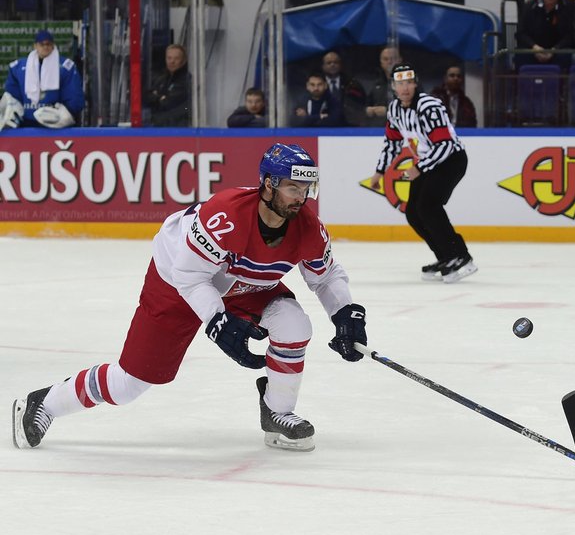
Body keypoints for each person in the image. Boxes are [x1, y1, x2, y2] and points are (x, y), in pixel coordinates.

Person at [12, 143, 369, 453]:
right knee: (129, 384)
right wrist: (217, 323)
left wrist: (346, 314)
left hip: (241, 282)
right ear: (268, 185)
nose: (302, 198)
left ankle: (277, 411)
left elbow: (326, 277)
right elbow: (189, 276)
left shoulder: (308, 227)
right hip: (176, 280)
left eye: (307, 188)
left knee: (294, 323)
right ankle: (47, 401)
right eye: (293, 188)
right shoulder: (225, 216)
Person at [369, 65, 476, 284]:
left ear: (416, 83)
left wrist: (420, 167)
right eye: (400, 83)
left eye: (409, 82)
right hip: (428, 163)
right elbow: (391, 142)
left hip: (451, 161)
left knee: (429, 206)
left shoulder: (429, 106)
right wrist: (380, 171)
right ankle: (445, 256)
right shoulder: (395, 110)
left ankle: (460, 256)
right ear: (393, 87)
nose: (405, 88)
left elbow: (445, 144)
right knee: (413, 213)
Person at [0, 29, 83, 130]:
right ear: (35, 46)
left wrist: (65, 113)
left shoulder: (66, 67)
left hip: (55, 126)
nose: (45, 47)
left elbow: (73, 95)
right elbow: (12, 96)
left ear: (53, 45)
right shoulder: (18, 67)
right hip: (26, 124)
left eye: (48, 44)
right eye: (42, 44)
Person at [516, 0, 575, 69]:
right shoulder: (529, 6)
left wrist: (555, 50)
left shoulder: (569, 6)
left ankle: (562, 84)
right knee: (521, 55)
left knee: (567, 55)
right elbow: (520, 33)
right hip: (534, 48)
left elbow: (571, 35)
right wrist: (534, 47)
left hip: (558, 49)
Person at [145, 44, 191, 127]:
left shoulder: (186, 80)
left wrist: (157, 96)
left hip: (179, 129)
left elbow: (167, 103)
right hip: (158, 126)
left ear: (183, 60)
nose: (172, 61)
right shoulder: (161, 79)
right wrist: (160, 97)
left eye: (176, 58)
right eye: (169, 58)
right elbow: (147, 98)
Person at [321, 51, 368, 126]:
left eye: (336, 62)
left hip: (348, 126)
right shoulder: (315, 84)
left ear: (340, 65)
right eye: (329, 63)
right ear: (323, 66)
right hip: (322, 126)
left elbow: (361, 104)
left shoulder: (352, 84)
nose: (332, 65)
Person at [365, 46, 402, 124]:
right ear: (381, 63)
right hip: (378, 131)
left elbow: (415, 107)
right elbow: (367, 104)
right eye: (386, 59)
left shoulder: (410, 82)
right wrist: (368, 110)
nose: (389, 62)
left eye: (393, 58)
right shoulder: (376, 84)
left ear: (400, 60)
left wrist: (387, 111)